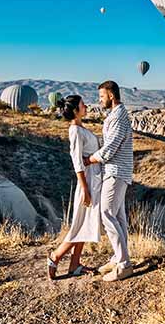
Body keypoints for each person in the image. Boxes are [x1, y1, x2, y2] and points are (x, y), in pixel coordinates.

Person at [46, 95, 102, 279]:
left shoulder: (80, 128)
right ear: (76, 110)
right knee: (81, 224)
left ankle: (75, 264)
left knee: (86, 222)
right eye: (82, 105)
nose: (86, 106)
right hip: (88, 180)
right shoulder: (75, 131)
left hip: (93, 178)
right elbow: (77, 162)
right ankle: (56, 256)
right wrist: (84, 188)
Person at [86, 80, 134, 282]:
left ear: (111, 96)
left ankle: (124, 265)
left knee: (106, 213)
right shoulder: (116, 115)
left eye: (101, 96)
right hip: (116, 171)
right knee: (119, 217)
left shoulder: (118, 118)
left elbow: (109, 149)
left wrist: (89, 159)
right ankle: (118, 258)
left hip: (115, 171)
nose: (100, 101)